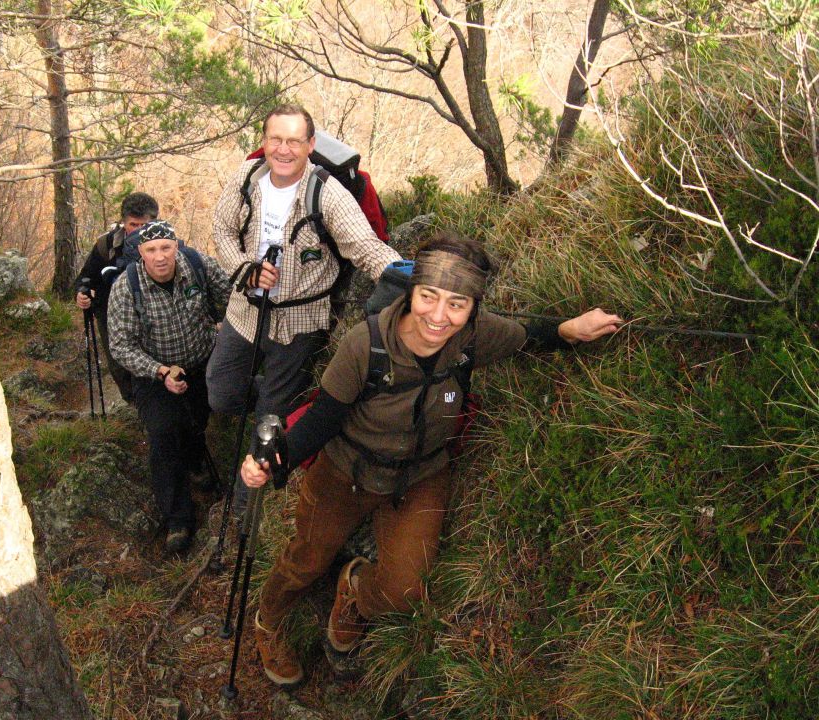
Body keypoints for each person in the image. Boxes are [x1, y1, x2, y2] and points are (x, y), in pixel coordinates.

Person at [238, 230, 623, 688]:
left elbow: (527, 337)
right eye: (429, 297)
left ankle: (356, 590)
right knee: (304, 561)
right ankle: (269, 622)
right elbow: (323, 418)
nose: (439, 317)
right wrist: (272, 463)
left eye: (457, 304)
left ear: (473, 307)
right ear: (412, 291)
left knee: (404, 593)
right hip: (347, 472)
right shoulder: (366, 345)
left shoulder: (477, 336)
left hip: (420, 476)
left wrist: (570, 331)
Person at [208, 103, 401, 507]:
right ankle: (282, 396)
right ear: (264, 142)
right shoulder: (246, 178)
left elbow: (364, 247)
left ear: (310, 145)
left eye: (294, 141)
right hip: (245, 312)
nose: (283, 149)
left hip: (300, 321)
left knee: (269, 421)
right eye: (276, 139)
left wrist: (405, 275)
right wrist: (244, 268)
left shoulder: (326, 194)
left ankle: (245, 504)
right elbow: (222, 230)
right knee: (221, 392)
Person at [107, 220, 232, 555]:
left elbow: (233, 295)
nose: (160, 256)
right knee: (163, 435)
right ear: (140, 254)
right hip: (153, 374)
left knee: (199, 419)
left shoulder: (198, 266)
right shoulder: (126, 287)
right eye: (151, 250)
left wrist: (226, 328)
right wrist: (160, 371)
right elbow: (120, 345)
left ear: (177, 247)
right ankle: (178, 518)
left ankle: (196, 461)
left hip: (204, 362)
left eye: (166, 247)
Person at [75, 192, 159, 404]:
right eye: (133, 224)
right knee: (118, 364)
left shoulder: (164, 245)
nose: (139, 230)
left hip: (155, 313)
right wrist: (82, 294)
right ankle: (134, 404)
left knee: (154, 359)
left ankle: (154, 406)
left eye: (144, 224)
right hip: (110, 313)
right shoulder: (107, 245)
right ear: (123, 223)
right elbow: (86, 276)